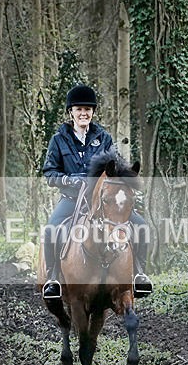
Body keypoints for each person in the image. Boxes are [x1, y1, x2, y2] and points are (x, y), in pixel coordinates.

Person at [41, 84, 152, 300]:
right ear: (70, 112)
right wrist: (69, 180)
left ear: (93, 112)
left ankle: (139, 273)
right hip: (72, 199)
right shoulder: (58, 140)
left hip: (103, 201)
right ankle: (53, 277)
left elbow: (116, 168)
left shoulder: (104, 138)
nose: (84, 113)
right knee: (51, 229)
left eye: (88, 109)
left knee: (140, 226)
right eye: (79, 109)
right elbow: (49, 172)